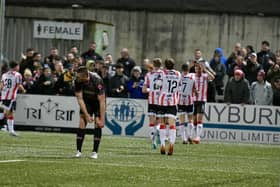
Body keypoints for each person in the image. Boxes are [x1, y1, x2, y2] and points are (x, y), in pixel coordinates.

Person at [74, 66, 106, 159]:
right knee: (82, 121)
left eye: (79, 77)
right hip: (86, 101)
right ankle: (78, 151)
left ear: (85, 76)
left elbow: (102, 101)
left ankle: (95, 152)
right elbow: (80, 99)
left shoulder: (97, 80)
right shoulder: (77, 81)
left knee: (97, 124)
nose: (77, 78)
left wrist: (102, 120)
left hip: (97, 102)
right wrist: (87, 115)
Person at [158, 58, 181, 155]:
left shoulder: (162, 73)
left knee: (162, 124)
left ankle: (162, 145)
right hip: (173, 101)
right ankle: (171, 144)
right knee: (172, 124)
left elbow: (158, 84)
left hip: (162, 100)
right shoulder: (178, 74)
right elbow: (179, 87)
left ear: (165, 65)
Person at [0, 61, 26, 136]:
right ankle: (11, 130)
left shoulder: (4, 74)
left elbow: (1, 86)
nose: (19, 67)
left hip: (4, 96)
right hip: (11, 97)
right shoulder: (18, 75)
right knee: (6, 113)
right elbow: (19, 85)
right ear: (16, 67)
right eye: (18, 66)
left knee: (10, 113)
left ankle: (11, 131)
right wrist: (23, 90)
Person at [142, 58, 163, 149]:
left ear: (153, 65)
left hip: (152, 100)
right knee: (158, 121)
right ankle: (158, 129)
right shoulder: (164, 74)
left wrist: (151, 90)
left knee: (151, 122)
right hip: (161, 100)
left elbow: (143, 90)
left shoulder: (148, 75)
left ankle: (153, 141)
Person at [191, 63, 215, 144]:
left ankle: (198, 137)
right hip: (193, 100)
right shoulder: (192, 76)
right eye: (196, 69)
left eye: (199, 69)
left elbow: (212, 77)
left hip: (201, 100)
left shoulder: (205, 76)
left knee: (199, 119)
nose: (198, 70)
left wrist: (206, 70)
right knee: (194, 120)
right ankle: (194, 136)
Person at [177, 63, 197, 144]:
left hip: (180, 100)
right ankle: (190, 136)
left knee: (181, 120)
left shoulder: (178, 77)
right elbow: (195, 89)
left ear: (182, 69)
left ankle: (184, 139)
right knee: (190, 119)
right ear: (188, 69)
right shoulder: (192, 77)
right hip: (189, 100)